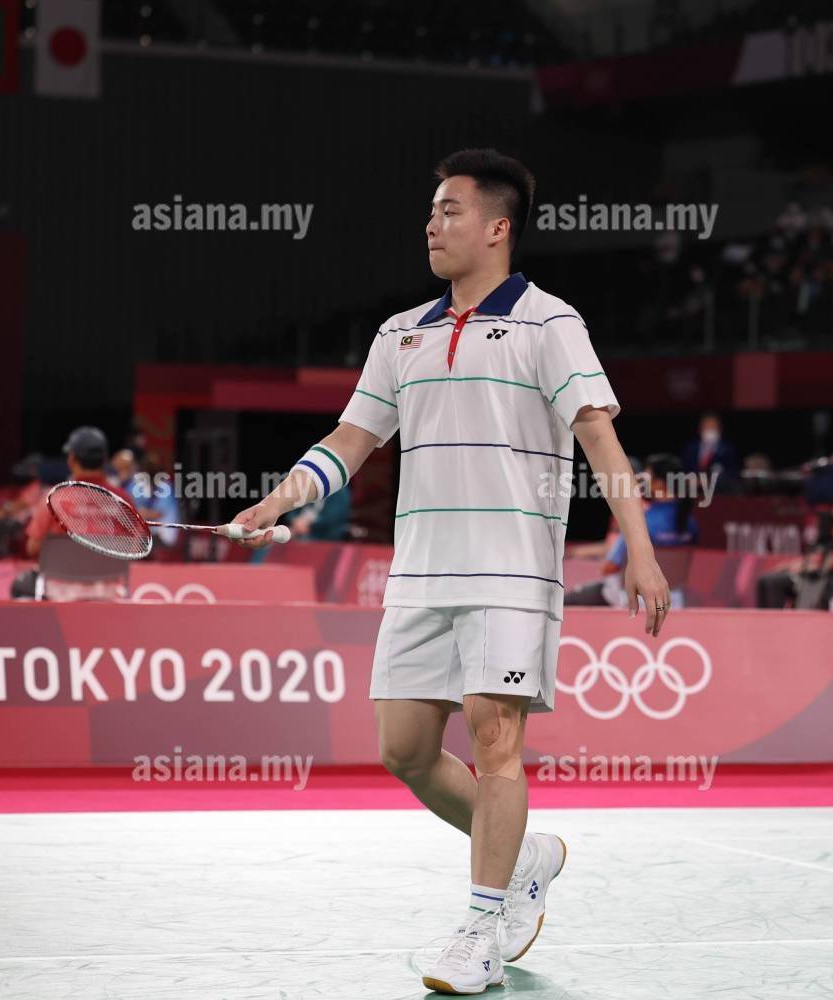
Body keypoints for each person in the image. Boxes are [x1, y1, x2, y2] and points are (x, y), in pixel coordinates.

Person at [229, 148, 670, 997]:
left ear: (499, 228)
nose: (432, 224)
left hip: (512, 572)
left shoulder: (550, 322)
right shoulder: (402, 333)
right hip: (421, 573)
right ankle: (524, 857)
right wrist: (278, 500)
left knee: (496, 740)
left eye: (451, 210)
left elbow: (599, 437)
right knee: (404, 750)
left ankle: (480, 932)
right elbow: (352, 439)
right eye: (431, 212)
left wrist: (640, 552)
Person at [567, 454, 696, 607]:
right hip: (674, 599)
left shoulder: (641, 520)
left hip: (635, 600)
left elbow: (610, 566)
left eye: (647, 476)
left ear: (659, 483)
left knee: (569, 599)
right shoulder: (691, 523)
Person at [24, 427, 134, 559]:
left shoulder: (53, 498)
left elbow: (33, 548)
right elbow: (137, 546)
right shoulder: (124, 499)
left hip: (61, 572)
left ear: (71, 459)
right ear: (105, 460)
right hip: (111, 573)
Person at [681, 411, 740, 495]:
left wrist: (707, 481)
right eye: (707, 427)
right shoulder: (690, 448)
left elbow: (732, 474)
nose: (710, 430)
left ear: (720, 429)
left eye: (713, 427)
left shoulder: (728, 449)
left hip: (718, 492)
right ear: (700, 429)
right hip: (691, 491)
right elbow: (684, 469)